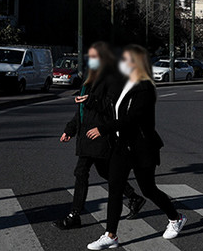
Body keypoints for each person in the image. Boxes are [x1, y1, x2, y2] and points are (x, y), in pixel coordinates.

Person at [85, 45, 186, 250]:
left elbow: (132, 119)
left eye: (126, 60)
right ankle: (111, 235)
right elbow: (112, 109)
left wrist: (103, 129)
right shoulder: (123, 85)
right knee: (115, 188)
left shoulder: (145, 88)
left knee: (148, 189)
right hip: (122, 146)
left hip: (142, 147)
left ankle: (176, 218)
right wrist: (90, 101)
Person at [54, 43, 146, 230]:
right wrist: (70, 130)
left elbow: (112, 106)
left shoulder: (112, 79)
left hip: (99, 133)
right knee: (105, 172)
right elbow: (81, 111)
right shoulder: (89, 79)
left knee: (81, 172)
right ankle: (134, 197)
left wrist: (91, 100)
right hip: (87, 134)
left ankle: (75, 215)